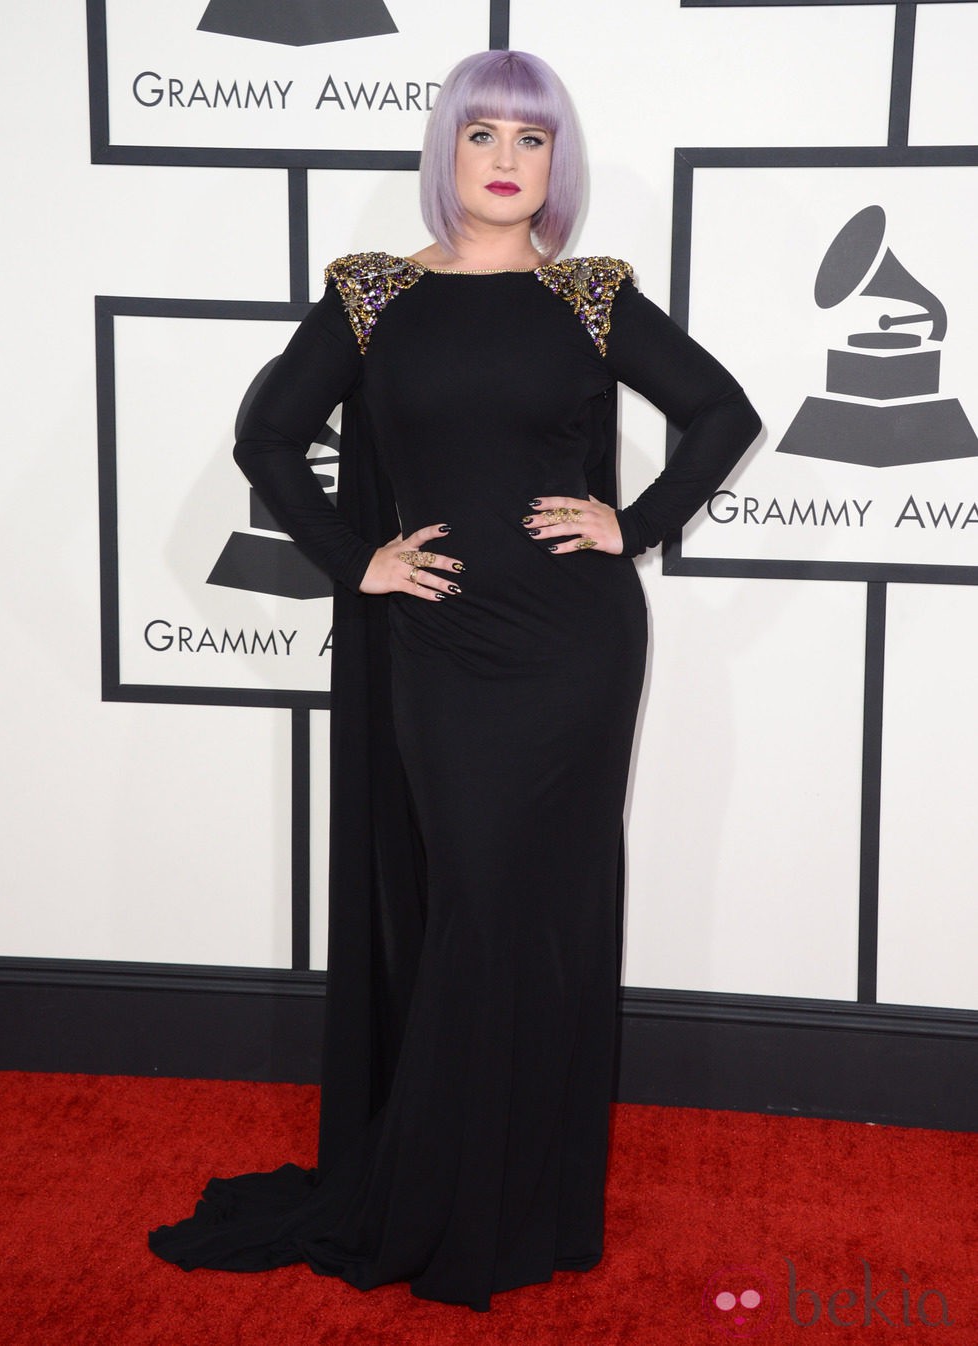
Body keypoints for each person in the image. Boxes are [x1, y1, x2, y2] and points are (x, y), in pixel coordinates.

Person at [149, 49, 761, 1311]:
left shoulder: (589, 297)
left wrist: (629, 521)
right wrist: (350, 559)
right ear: (446, 153)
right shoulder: (373, 296)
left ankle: (524, 1196)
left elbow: (720, 411)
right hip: (440, 647)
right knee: (470, 899)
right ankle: (439, 1188)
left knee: (543, 913)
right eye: (481, 134)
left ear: (554, 165)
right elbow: (267, 436)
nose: (503, 158)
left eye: (530, 141)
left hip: (574, 645)